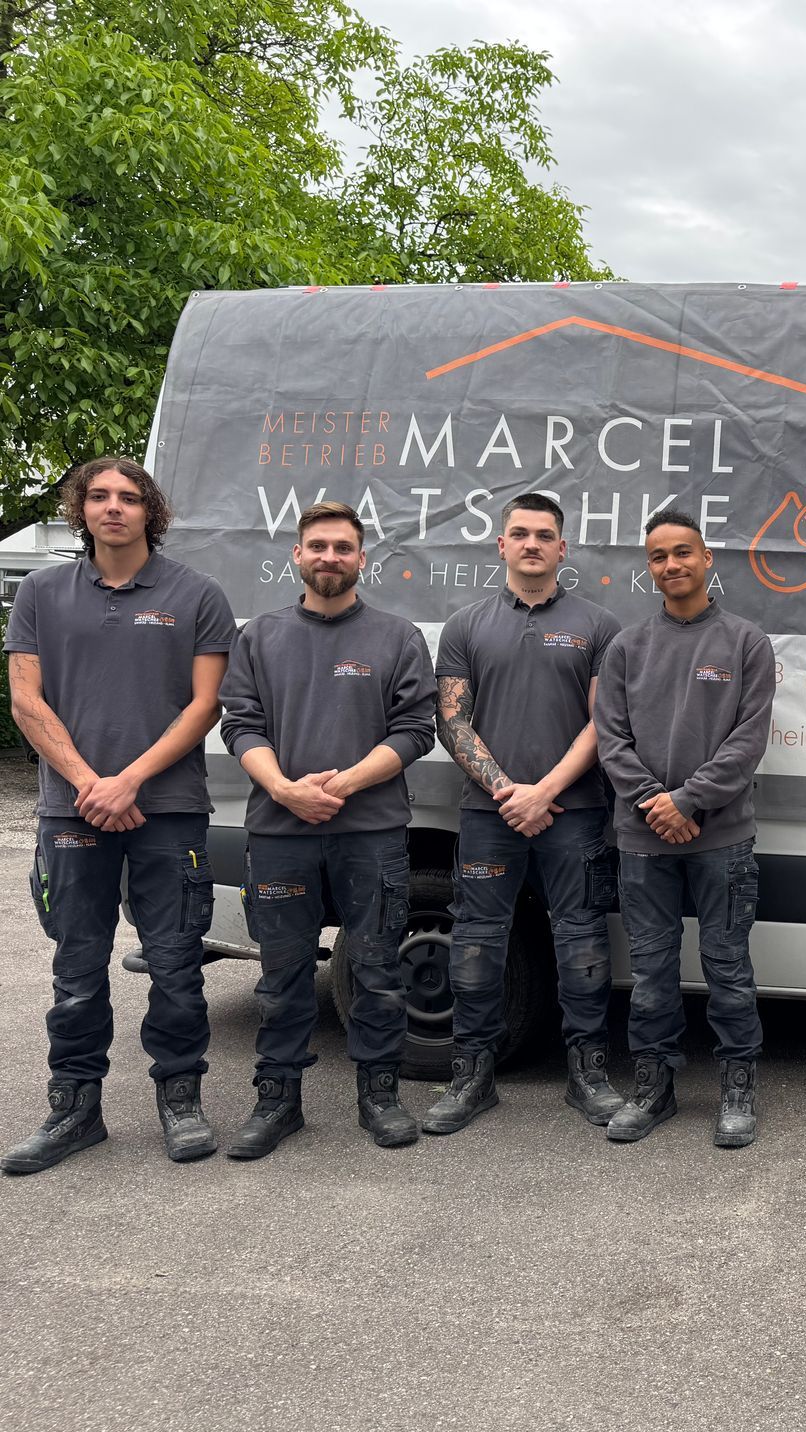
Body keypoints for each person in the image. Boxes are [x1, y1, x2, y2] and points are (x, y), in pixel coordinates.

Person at [2, 458, 235, 1174]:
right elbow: (26, 700)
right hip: (71, 813)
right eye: (99, 497)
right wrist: (87, 783)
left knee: (174, 965)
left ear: (150, 512)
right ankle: (74, 1109)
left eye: (128, 498)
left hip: (168, 811)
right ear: (81, 508)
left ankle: (181, 1100)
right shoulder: (41, 592)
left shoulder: (197, 595)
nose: (113, 509)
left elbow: (205, 706)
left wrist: (128, 780)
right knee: (76, 969)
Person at [217, 501, 436, 1157]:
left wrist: (339, 786)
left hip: (370, 831)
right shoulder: (260, 636)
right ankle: (277, 1102)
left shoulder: (397, 638)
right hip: (281, 834)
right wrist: (285, 789)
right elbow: (240, 726)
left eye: (343, 547)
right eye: (318, 546)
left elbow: (415, 731)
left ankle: (380, 1096)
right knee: (282, 975)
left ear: (362, 559)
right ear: (298, 555)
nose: (330, 557)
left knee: (375, 970)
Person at [424, 493, 624, 1135]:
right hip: (490, 816)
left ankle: (588, 1074)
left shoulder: (600, 626)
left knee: (583, 942)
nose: (532, 543)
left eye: (545, 535)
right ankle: (472, 1076)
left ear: (563, 549)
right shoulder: (465, 626)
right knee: (478, 945)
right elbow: (451, 721)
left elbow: (605, 723)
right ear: (502, 546)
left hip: (577, 811)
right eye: (520, 534)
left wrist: (545, 791)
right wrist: (511, 792)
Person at [595, 509, 775, 1148]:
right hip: (644, 839)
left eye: (682, 552)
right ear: (649, 568)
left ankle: (736, 1085)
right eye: (658, 556)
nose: (671, 565)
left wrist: (690, 801)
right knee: (650, 972)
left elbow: (748, 739)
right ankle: (653, 1087)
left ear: (707, 559)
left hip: (721, 839)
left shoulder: (746, 642)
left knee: (728, 966)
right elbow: (611, 739)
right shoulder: (626, 647)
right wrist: (655, 803)